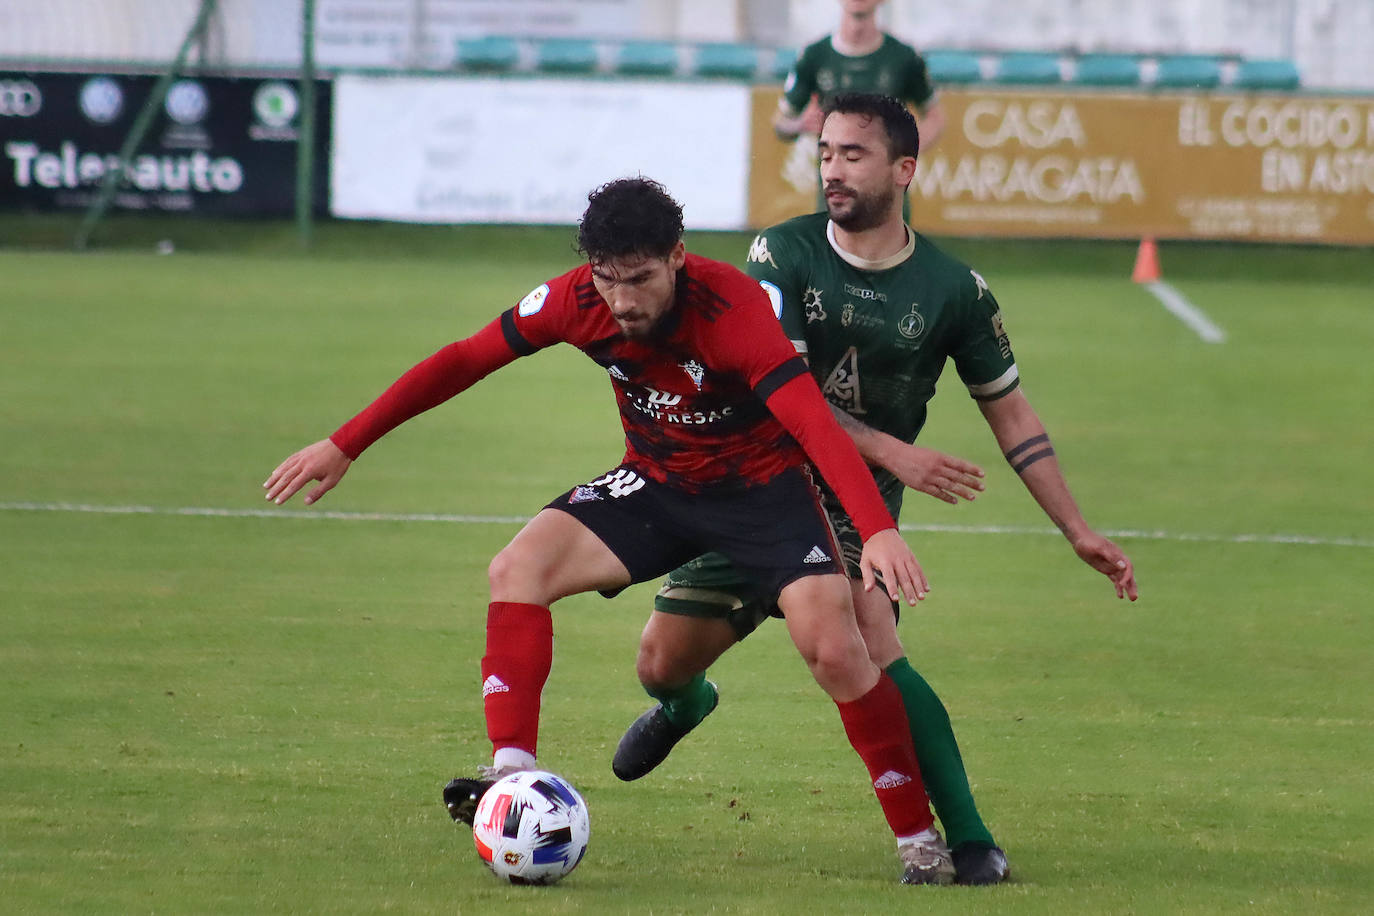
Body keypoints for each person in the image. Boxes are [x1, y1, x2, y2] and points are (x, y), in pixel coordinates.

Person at [262, 176, 962, 885]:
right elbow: (466, 358)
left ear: (678, 257)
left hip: (763, 495)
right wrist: (346, 442)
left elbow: (813, 422)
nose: (623, 300)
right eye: (607, 280)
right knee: (518, 569)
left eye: (640, 279)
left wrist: (876, 530)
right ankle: (511, 777)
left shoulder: (734, 309)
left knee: (838, 650)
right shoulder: (574, 300)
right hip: (657, 483)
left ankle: (918, 842)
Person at [612, 95, 1139, 886]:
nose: (832, 169)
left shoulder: (955, 289)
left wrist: (1076, 528)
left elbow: (1013, 415)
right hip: (752, 489)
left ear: (905, 168)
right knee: (659, 663)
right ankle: (688, 706)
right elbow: (778, 394)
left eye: (853, 154)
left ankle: (966, 840)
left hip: (854, 513)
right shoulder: (780, 254)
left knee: (868, 636)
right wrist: (901, 450)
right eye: (825, 152)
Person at [775, 0, 945, 149]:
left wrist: (903, 151)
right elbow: (781, 122)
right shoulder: (814, 56)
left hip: (887, 185)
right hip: (836, 183)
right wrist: (800, 125)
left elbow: (934, 118)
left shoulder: (905, 57)